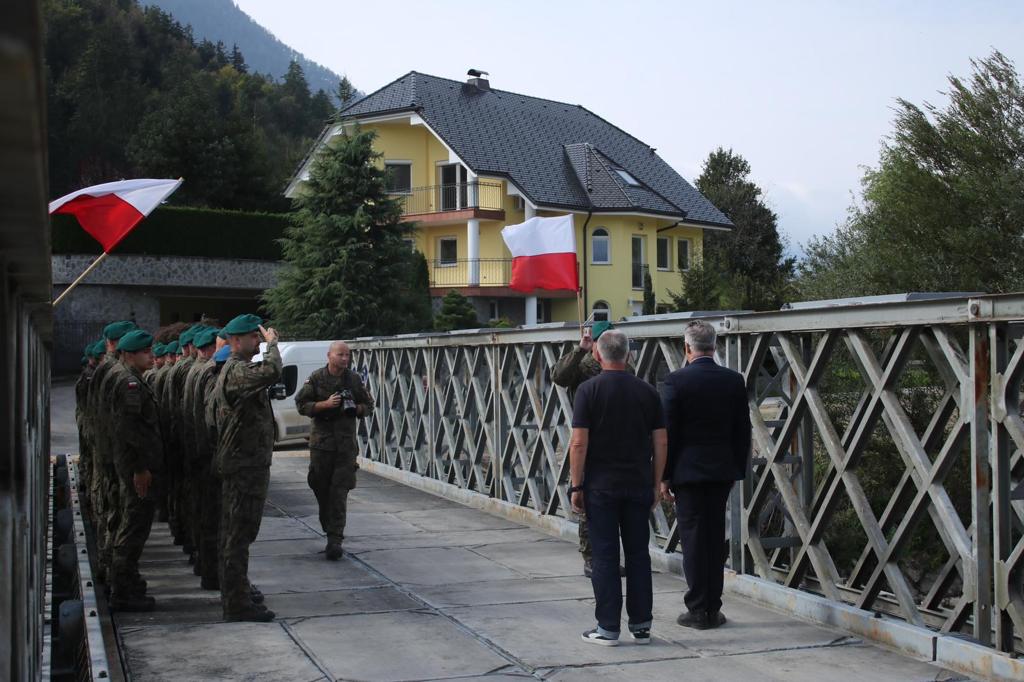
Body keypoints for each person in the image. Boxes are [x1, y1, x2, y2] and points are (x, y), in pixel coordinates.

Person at [569, 329, 667, 646]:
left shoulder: (587, 390)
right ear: (628, 355)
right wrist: (656, 483)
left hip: (600, 487)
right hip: (638, 484)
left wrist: (576, 486)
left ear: (597, 354)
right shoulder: (648, 392)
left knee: (605, 556)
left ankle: (608, 627)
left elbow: (579, 443)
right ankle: (641, 626)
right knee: (638, 555)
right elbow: (661, 441)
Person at [660, 320, 750, 630]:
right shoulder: (733, 380)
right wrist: (736, 468)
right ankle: (713, 606)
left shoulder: (675, 381)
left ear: (686, 347)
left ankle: (698, 609)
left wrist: (664, 476)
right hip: (721, 470)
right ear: (715, 346)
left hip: (687, 473)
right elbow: (742, 430)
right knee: (714, 537)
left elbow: (668, 433)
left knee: (694, 539)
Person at [212, 314, 280, 622]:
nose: (258, 340)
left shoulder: (238, 368)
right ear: (236, 341)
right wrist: (273, 345)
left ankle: (237, 594)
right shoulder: (237, 369)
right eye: (254, 336)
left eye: (259, 336)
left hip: (245, 464)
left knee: (238, 534)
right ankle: (237, 603)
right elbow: (272, 370)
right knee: (238, 536)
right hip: (243, 466)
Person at [551, 320, 630, 578]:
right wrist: (580, 349)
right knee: (588, 501)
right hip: (588, 438)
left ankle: (611, 557)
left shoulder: (622, 363)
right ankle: (591, 557)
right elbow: (558, 377)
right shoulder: (582, 365)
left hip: (617, 439)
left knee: (616, 501)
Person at [294, 340, 374, 560]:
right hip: (322, 446)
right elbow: (301, 404)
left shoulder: (353, 379)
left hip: (345, 448)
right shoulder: (317, 378)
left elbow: (369, 405)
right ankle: (328, 526)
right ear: (329, 356)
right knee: (321, 488)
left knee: (339, 492)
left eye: (347, 355)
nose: (345, 359)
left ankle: (335, 539)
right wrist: (325, 405)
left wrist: (357, 409)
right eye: (341, 355)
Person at [108, 329, 162, 611]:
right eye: (145, 352)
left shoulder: (132, 379)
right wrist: (140, 468)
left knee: (134, 526)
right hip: (136, 468)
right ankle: (123, 591)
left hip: (134, 465)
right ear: (129, 355)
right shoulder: (129, 383)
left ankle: (128, 583)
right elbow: (129, 429)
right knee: (133, 528)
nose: (151, 356)